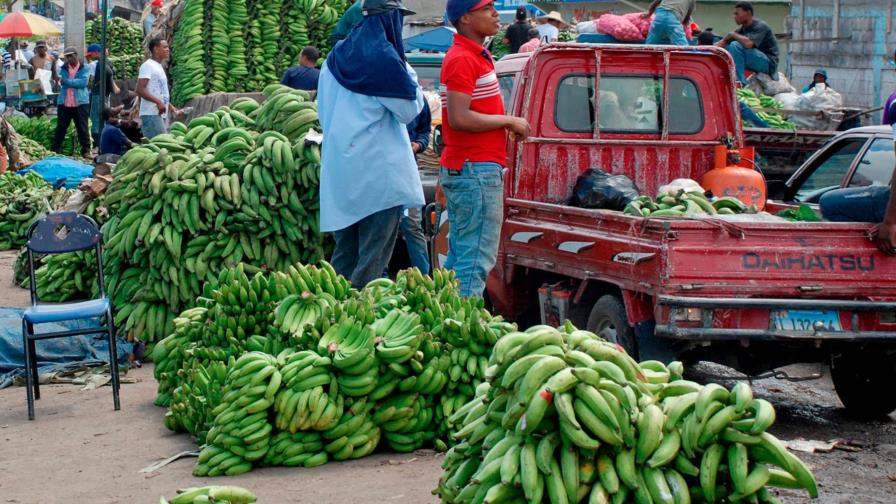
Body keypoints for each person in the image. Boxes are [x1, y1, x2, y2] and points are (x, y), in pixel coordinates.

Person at [317, 0, 426, 288]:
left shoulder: (332, 61)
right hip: (379, 176)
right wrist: (405, 68)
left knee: (345, 255)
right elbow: (409, 110)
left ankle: (331, 309)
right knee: (372, 260)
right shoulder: (384, 60)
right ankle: (360, 315)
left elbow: (323, 112)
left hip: (341, 171)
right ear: (389, 21)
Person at [441, 0, 530, 297]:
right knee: (475, 259)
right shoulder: (462, 59)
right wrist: (508, 121)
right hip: (475, 170)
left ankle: (447, 324)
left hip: (472, 168)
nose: (495, 13)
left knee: (461, 258)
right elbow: (459, 117)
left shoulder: (477, 56)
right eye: (486, 8)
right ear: (465, 18)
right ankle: (460, 331)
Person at [399, 106, 433, 274]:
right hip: (380, 176)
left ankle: (423, 276)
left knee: (411, 223)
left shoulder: (416, 98)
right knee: (382, 227)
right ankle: (379, 277)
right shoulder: (375, 93)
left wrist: (419, 145)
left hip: (406, 173)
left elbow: (424, 131)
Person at [716, 1, 779, 85]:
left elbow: (749, 44)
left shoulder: (761, 26)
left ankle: (739, 82)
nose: (735, 17)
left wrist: (733, 35)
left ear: (748, 12)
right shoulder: (741, 30)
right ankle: (725, 79)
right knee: (726, 49)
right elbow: (720, 45)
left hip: (769, 63)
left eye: (737, 13)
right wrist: (708, 48)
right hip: (756, 59)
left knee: (735, 45)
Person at [137, 37, 180, 139]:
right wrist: (158, 102)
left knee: (162, 145)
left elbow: (158, 91)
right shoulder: (147, 65)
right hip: (151, 114)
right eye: (165, 47)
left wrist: (170, 106)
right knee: (159, 146)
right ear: (156, 49)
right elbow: (139, 89)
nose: (168, 49)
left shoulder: (159, 66)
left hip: (159, 113)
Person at [52, 47, 91, 158]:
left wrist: (67, 81)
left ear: (76, 55)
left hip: (80, 102)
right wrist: (68, 82)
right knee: (61, 127)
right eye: (67, 56)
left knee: (82, 127)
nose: (69, 58)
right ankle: (55, 149)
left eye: (71, 56)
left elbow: (83, 83)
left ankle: (86, 150)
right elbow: (60, 81)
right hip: (65, 103)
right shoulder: (62, 68)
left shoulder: (85, 67)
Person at [87, 44, 121, 148]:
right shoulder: (108, 63)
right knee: (102, 118)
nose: (90, 57)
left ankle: (97, 143)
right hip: (106, 95)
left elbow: (91, 81)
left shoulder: (95, 64)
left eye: (90, 54)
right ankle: (100, 142)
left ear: (96, 52)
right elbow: (111, 80)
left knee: (96, 119)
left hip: (98, 95)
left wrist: (93, 85)